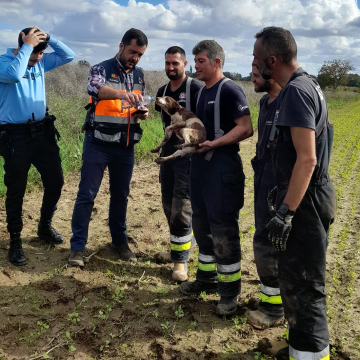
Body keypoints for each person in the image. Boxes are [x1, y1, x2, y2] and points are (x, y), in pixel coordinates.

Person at [253, 27, 336, 359]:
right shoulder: (302, 86)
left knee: (305, 288)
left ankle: (310, 354)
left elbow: (308, 158)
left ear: (273, 60)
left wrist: (285, 213)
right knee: (295, 282)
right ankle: (299, 347)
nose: (255, 65)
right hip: (305, 199)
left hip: (306, 204)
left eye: (258, 59)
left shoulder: (297, 92)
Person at [179, 40, 253, 316]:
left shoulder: (230, 90)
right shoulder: (201, 92)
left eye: (200, 61)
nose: (195, 66)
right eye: (195, 61)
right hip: (200, 167)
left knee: (223, 230)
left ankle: (229, 294)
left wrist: (216, 144)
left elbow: (246, 128)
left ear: (216, 63)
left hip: (222, 168)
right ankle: (206, 279)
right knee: (201, 224)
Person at [69, 28, 149, 267]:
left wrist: (140, 112)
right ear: (121, 45)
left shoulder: (140, 74)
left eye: (140, 55)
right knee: (87, 195)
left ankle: (119, 242)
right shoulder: (101, 69)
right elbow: (95, 89)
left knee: (121, 196)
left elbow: (136, 102)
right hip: (98, 143)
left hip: (126, 146)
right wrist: (122, 94)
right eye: (132, 51)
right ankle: (77, 248)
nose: (135, 58)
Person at [0, 26, 75, 266]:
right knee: (16, 189)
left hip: (43, 133)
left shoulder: (39, 62)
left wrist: (48, 39)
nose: (38, 58)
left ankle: (44, 226)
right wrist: (28, 48)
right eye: (35, 53)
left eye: (42, 53)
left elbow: (69, 56)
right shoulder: (5, 62)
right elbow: (13, 75)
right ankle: (15, 241)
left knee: (56, 182)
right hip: (15, 137)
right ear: (23, 46)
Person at [153, 46, 202, 282]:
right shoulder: (162, 91)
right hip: (168, 156)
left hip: (188, 158)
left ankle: (180, 264)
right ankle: (177, 250)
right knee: (167, 204)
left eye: (175, 63)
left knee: (182, 206)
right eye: (167, 63)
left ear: (185, 64)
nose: (170, 67)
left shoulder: (195, 88)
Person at [244, 65, 283, 329]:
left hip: (279, 183)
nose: (252, 78)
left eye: (256, 72)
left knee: (274, 243)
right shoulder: (264, 102)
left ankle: (275, 309)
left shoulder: (289, 102)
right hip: (263, 177)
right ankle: (270, 301)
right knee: (262, 239)